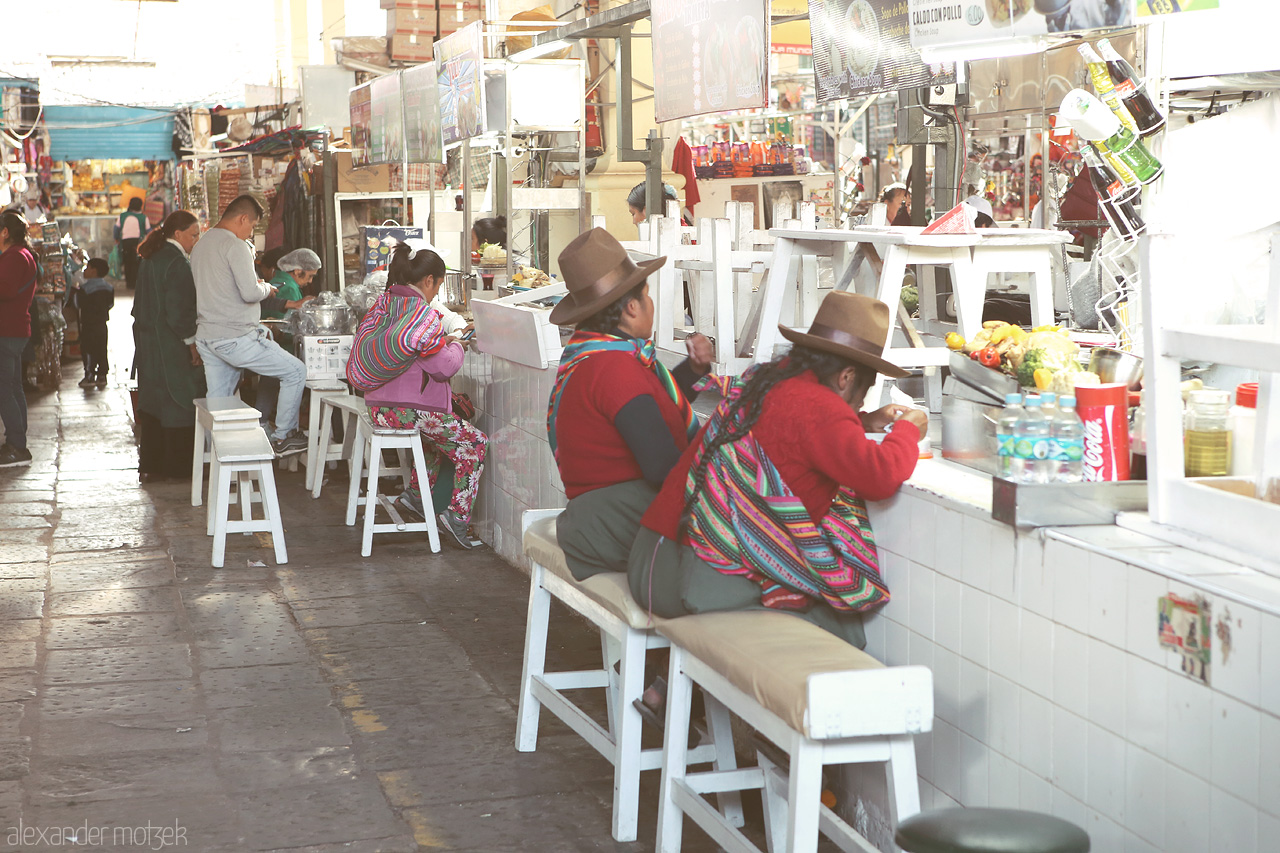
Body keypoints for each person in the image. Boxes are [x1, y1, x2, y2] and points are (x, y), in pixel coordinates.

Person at [628, 291, 928, 648]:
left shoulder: (770, 380)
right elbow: (879, 477)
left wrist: (861, 421)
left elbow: (795, 433)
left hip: (654, 556)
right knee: (836, 626)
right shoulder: (818, 407)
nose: (861, 401)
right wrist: (908, 429)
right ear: (846, 377)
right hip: (687, 577)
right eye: (864, 390)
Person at [546, 228, 713, 580]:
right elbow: (661, 466)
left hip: (595, 520)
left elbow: (654, 411)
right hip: (615, 525)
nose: (651, 304)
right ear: (632, 307)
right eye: (647, 296)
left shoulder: (596, 356)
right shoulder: (616, 368)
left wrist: (695, 370)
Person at [346, 243, 488, 549]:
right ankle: (457, 518)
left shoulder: (387, 304)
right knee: (475, 444)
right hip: (408, 410)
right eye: (437, 286)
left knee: (437, 438)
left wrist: (445, 340)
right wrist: (457, 344)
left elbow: (410, 349)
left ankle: (414, 497)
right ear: (428, 280)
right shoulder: (422, 315)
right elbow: (443, 368)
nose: (436, 294)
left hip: (380, 408)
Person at [191, 195, 310, 457]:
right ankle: (284, 436)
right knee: (296, 371)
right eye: (253, 226)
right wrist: (266, 288)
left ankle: (218, 458)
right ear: (243, 218)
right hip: (235, 336)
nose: (251, 232)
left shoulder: (202, 244)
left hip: (208, 337)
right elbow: (249, 292)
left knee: (219, 402)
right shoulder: (235, 245)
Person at [133, 210, 205, 482]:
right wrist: (191, 343)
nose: (196, 241)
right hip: (170, 344)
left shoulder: (151, 256)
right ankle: (178, 468)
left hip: (149, 343)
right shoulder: (177, 262)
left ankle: (152, 465)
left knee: (154, 403)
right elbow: (179, 313)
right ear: (178, 234)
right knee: (179, 400)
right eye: (193, 235)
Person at [0, 211, 37, 468]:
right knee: (13, 387)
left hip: (8, 329)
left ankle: (16, 445)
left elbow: (6, 290)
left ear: (5, 232)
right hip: (15, 328)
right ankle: (17, 442)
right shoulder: (23, 254)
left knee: (4, 390)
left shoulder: (14, 256)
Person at [75, 258, 114, 389]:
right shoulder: (109, 288)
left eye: (87, 268)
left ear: (94, 271)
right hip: (102, 323)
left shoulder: (84, 289)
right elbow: (110, 304)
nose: (85, 271)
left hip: (88, 324)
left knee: (88, 349)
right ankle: (102, 375)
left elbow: (77, 304)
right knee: (102, 348)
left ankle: (89, 375)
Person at [117, 197, 148, 290]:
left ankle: (129, 283)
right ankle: (136, 283)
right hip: (138, 242)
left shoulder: (122, 216)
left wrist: (116, 239)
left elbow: (116, 229)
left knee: (127, 262)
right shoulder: (143, 217)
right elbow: (149, 230)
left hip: (125, 242)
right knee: (137, 262)